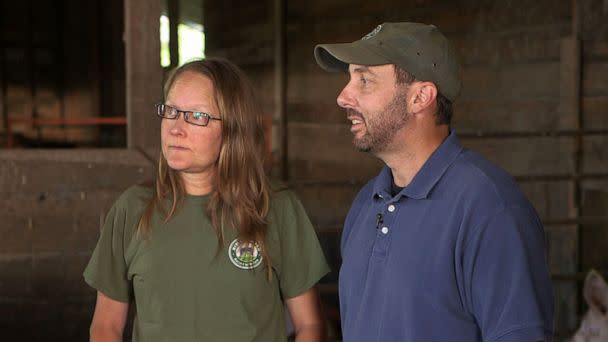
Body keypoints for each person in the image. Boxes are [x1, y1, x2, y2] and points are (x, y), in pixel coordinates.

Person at [314, 22, 554, 341]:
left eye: (365, 81)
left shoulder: (490, 210)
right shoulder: (367, 203)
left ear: (421, 97)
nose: (344, 97)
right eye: (350, 79)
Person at [84, 58, 330, 342]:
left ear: (232, 129)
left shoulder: (276, 208)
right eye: (171, 111)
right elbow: (106, 326)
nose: (176, 128)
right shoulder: (133, 208)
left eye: (197, 116)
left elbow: (310, 325)